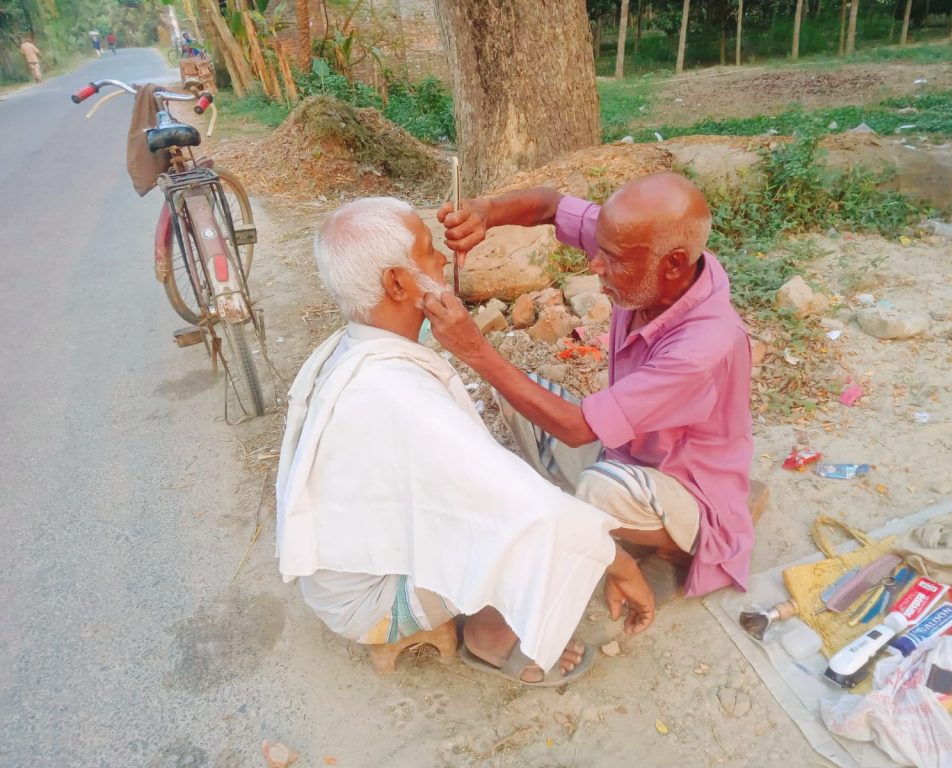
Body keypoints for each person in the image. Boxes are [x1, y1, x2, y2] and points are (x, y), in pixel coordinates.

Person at [275, 197, 655, 686]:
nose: (441, 260)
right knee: (523, 526)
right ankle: (489, 637)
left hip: (342, 575)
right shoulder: (393, 391)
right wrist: (617, 561)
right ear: (397, 283)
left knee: (510, 490)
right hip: (367, 601)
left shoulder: (356, 345)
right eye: (429, 251)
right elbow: (525, 511)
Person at [426, 173, 755, 601]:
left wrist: (475, 349)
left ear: (673, 264)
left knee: (602, 488)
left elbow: (579, 429)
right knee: (516, 398)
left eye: (613, 259)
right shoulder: (636, 242)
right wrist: (487, 212)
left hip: (687, 492)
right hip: (625, 452)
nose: (596, 265)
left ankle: (673, 546)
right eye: (600, 249)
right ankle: (594, 512)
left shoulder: (703, 345)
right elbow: (549, 205)